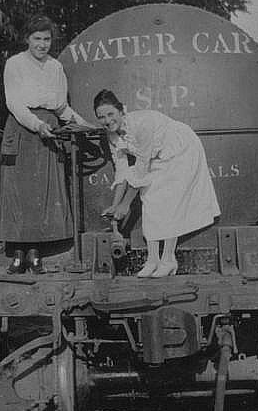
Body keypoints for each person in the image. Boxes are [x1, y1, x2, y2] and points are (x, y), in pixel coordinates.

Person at [94, 89, 220, 278]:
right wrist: (115, 204)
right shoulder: (112, 135)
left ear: (121, 111)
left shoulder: (142, 124)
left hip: (181, 149)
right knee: (149, 199)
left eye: (110, 114)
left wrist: (125, 205)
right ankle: (153, 261)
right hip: (158, 156)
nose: (107, 120)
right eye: (101, 117)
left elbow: (142, 167)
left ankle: (168, 260)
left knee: (168, 201)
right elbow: (122, 171)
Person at [0, 16, 90, 273]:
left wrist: (85, 125)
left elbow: (61, 107)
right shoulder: (14, 64)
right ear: (27, 39)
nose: (42, 44)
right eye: (37, 39)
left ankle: (36, 254)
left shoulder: (55, 67)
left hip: (50, 130)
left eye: (47, 39)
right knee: (19, 191)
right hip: (22, 128)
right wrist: (36, 125)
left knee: (43, 190)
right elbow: (14, 103)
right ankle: (18, 254)